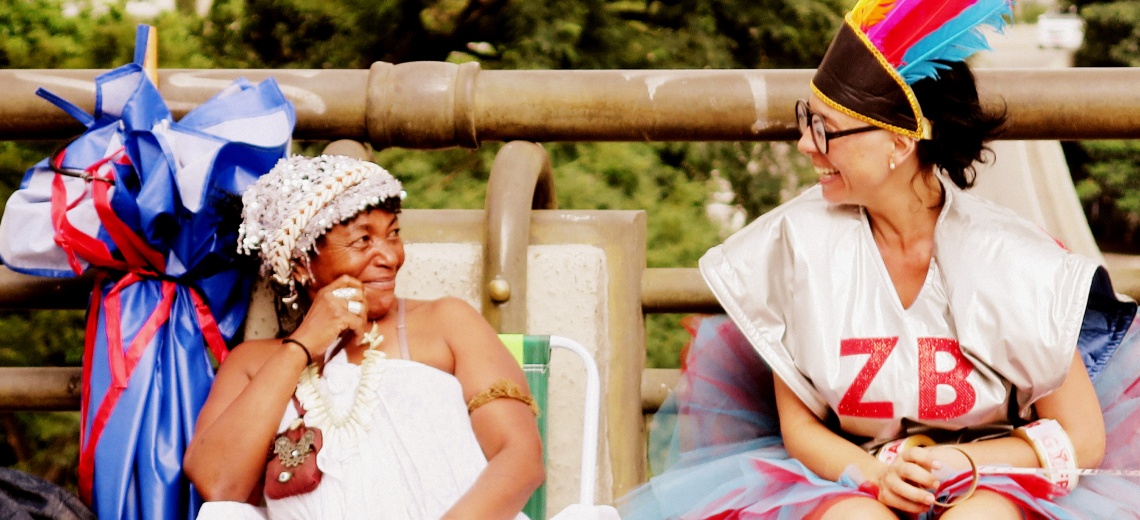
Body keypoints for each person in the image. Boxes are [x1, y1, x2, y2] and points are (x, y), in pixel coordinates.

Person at [618, 0, 1140, 518]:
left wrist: (958, 462)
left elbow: (1082, 437)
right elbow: (800, 427)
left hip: (991, 477)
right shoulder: (794, 246)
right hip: (849, 476)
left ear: (899, 140)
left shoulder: (1012, 259)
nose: (804, 144)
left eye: (824, 129)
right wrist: (879, 475)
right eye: (806, 121)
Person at [183, 154, 544, 519]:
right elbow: (220, 487)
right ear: (301, 265)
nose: (389, 256)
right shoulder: (253, 363)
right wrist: (302, 347)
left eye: (393, 234)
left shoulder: (446, 324)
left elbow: (519, 457)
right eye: (362, 241)